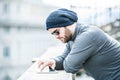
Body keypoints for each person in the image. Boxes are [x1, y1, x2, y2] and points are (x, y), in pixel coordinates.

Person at [37, 8, 120, 80]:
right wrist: (53, 61)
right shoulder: (73, 38)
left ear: (66, 25)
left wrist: (69, 60)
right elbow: (64, 58)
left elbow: (70, 67)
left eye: (57, 32)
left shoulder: (88, 35)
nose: (56, 37)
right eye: (53, 34)